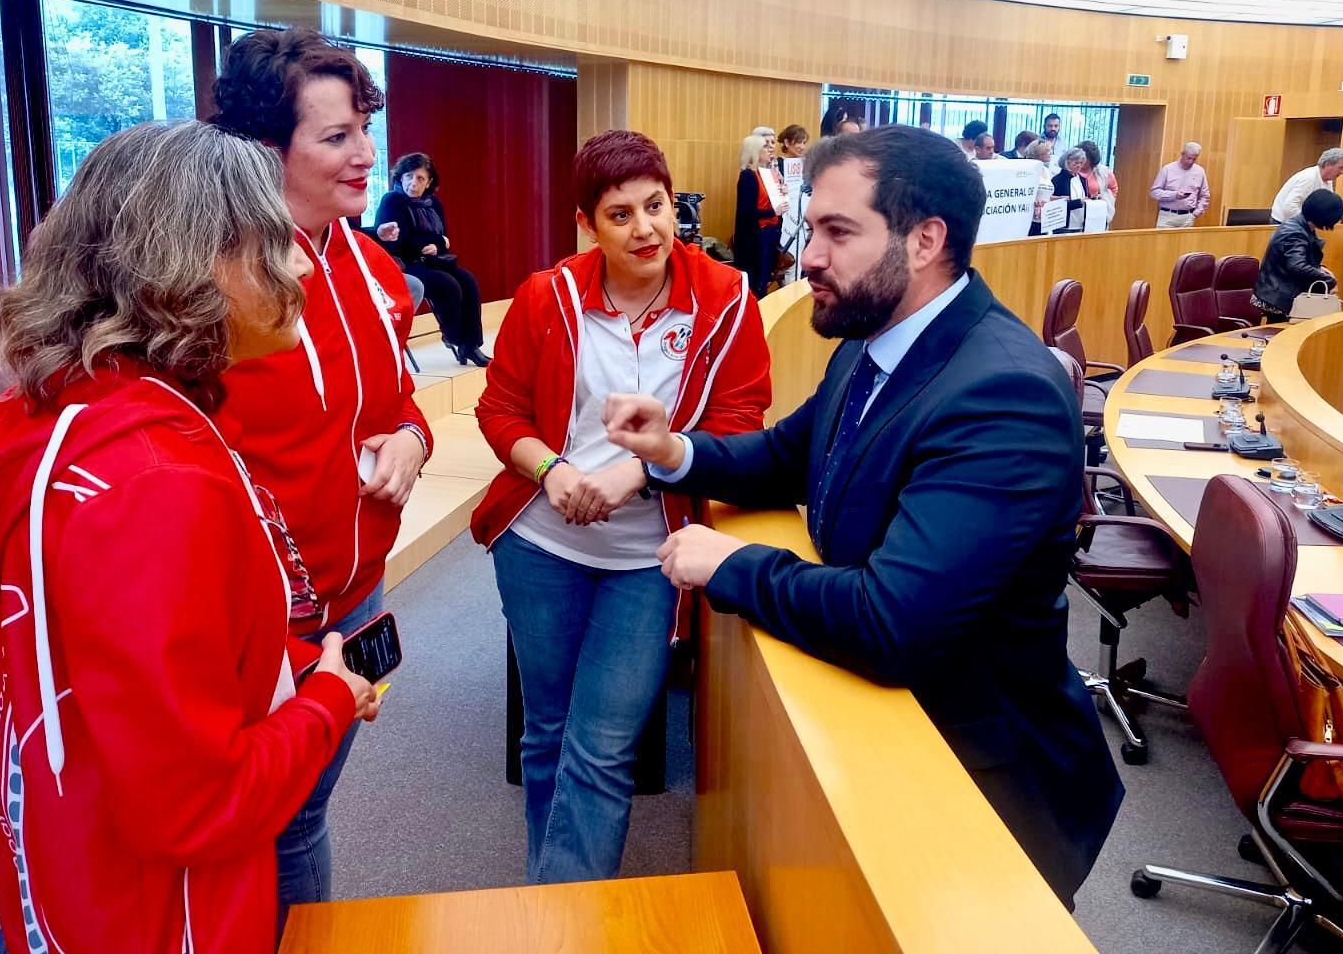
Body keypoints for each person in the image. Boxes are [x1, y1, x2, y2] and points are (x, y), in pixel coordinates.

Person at [0, 122, 382, 953]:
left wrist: (284, 668)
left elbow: (130, 679)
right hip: (161, 916)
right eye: (274, 242)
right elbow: (196, 805)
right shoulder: (156, 479)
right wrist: (329, 698)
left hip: (85, 877)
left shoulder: (92, 417)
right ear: (190, 264)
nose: (302, 266)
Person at [603, 125, 1122, 905]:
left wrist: (732, 566)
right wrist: (672, 449)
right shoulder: (872, 338)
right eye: (813, 227)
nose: (808, 256)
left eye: (837, 232)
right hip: (893, 743)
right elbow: (785, 454)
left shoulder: (999, 394)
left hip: (983, 786)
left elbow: (892, 623)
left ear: (925, 241)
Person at [473, 129, 772, 884]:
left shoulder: (726, 298)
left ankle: (562, 920)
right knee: (545, 733)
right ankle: (555, 903)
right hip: (541, 544)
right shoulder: (550, 296)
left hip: (649, 555)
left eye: (656, 206)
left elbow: (739, 420)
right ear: (587, 223)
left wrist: (636, 477)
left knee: (602, 748)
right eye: (619, 214)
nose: (645, 229)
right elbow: (500, 411)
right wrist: (552, 471)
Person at [209, 27, 431, 918]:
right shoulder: (214, 280)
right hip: (261, 623)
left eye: (365, 130)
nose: (366, 155)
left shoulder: (372, 265)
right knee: (275, 825)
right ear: (268, 152)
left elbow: (399, 401)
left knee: (301, 815)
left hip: (357, 598)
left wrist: (412, 439)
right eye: (336, 137)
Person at [375, 151, 491, 366]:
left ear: (429, 182)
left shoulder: (433, 204)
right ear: (400, 177)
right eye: (409, 176)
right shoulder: (392, 201)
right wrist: (433, 242)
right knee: (447, 285)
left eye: (420, 178)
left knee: (468, 281)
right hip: (404, 263)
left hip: (433, 260)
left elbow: (442, 237)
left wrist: (437, 244)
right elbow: (397, 241)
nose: (413, 183)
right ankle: (454, 337)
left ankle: (472, 345)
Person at [1253, 188, 1343, 321]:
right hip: (1278, 297)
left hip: (1280, 292)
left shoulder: (1301, 227)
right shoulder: (1295, 232)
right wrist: (1329, 281)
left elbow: (1302, 260)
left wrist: (1321, 269)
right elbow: (1297, 266)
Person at [733, 132, 787, 298]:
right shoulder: (748, 176)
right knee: (756, 284)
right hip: (755, 238)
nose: (770, 149)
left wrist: (782, 194)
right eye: (765, 146)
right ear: (754, 151)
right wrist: (773, 211)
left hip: (769, 233)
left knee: (764, 281)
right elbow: (745, 211)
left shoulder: (768, 174)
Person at [1271, 147, 1343, 224]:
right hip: (1283, 225)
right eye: (1340, 167)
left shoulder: (1327, 180)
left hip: (1298, 224)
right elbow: (1289, 208)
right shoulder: (1309, 178)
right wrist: (1311, 223)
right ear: (1327, 164)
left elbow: (1331, 205)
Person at [1148, 141, 1209, 228]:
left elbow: (1205, 195)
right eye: (1189, 158)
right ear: (1182, 154)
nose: (1191, 162)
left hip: (1188, 217)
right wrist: (1174, 195)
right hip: (1167, 216)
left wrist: (1196, 213)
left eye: (1194, 159)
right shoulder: (1167, 169)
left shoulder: (1200, 171)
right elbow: (1154, 192)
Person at [1051, 147, 1093, 232]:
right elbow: (1057, 205)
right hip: (1063, 226)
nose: (1079, 165)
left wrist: (1092, 198)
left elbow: (1085, 197)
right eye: (1076, 163)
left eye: (1081, 163)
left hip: (1080, 224)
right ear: (1067, 162)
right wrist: (1079, 202)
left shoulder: (1082, 179)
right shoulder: (1058, 180)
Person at [1079, 139, 1117, 221]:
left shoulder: (1104, 172)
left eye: (1085, 158)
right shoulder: (1071, 169)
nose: (1082, 160)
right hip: (1077, 214)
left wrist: (1104, 198)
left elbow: (1114, 188)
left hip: (1097, 214)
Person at [1026, 138, 1056, 235]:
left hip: (1046, 218)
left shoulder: (1046, 170)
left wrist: (1061, 198)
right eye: (1047, 151)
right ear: (1039, 153)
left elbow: (1048, 194)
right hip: (1031, 217)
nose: (1050, 153)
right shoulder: (1029, 170)